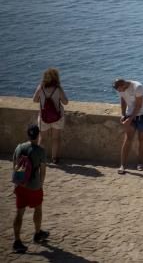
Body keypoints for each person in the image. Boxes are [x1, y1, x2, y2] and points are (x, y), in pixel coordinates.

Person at [11, 124, 47, 254]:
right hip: (34, 186)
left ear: (27, 134)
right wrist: (40, 184)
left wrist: (18, 182)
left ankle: (17, 241)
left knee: (19, 213)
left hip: (20, 186)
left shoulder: (19, 147)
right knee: (38, 209)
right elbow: (43, 171)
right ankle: (37, 234)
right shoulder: (40, 151)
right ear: (38, 136)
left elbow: (15, 164)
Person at [113, 77, 143, 173]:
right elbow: (123, 100)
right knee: (127, 139)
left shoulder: (138, 87)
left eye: (120, 90)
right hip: (130, 114)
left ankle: (140, 163)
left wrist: (129, 120)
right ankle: (122, 165)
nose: (120, 92)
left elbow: (138, 106)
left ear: (123, 85)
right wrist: (123, 114)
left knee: (142, 140)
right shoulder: (120, 89)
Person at [32, 68, 69, 164]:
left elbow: (35, 100)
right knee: (56, 138)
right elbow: (66, 102)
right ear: (56, 78)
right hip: (57, 117)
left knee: (42, 138)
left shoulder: (41, 87)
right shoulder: (58, 89)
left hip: (44, 116)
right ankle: (54, 158)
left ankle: (39, 159)